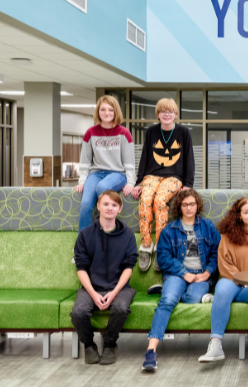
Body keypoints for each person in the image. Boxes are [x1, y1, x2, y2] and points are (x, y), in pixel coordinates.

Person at [142, 190, 220, 372]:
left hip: (201, 275)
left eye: (192, 204)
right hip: (177, 275)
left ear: (197, 205)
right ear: (179, 207)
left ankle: (168, 290)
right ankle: (151, 351)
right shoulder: (170, 230)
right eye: (185, 205)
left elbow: (218, 253)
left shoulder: (208, 226)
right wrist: (183, 273)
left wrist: (207, 273)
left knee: (193, 298)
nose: (189, 208)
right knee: (168, 301)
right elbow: (163, 257)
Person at [199, 197, 248, 363]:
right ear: (239, 215)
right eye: (247, 212)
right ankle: (215, 346)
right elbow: (224, 264)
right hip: (232, 280)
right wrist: (243, 281)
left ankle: (221, 300)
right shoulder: (228, 236)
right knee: (223, 289)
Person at [71, 190, 138, 365]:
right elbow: (81, 268)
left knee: (121, 308)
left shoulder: (128, 235)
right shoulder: (85, 235)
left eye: (114, 205)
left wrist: (115, 292)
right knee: (78, 312)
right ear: (98, 206)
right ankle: (88, 345)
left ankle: (110, 344)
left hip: (120, 287)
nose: (110, 208)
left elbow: (128, 267)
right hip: (91, 287)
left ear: (120, 209)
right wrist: (93, 294)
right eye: (106, 204)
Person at [131, 98, 195, 272]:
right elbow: (145, 156)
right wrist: (138, 181)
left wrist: (188, 183)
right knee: (145, 200)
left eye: (170, 111)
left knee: (160, 201)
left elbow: (189, 157)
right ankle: (146, 246)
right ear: (158, 114)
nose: (166, 114)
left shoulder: (183, 132)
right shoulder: (151, 131)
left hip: (174, 177)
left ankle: (161, 247)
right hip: (152, 175)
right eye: (163, 111)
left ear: (175, 114)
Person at [75, 95, 135, 234]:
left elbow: (129, 162)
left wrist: (131, 183)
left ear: (116, 112)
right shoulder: (90, 132)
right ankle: (82, 244)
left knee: (103, 187)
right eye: (103, 109)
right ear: (98, 112)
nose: (106, 113)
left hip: (118, 174)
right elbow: (85, 160)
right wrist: (82, 180)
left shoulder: (124, 133)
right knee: (85, 204)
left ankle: (99, 229)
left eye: (110, 110)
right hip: (95, 174)